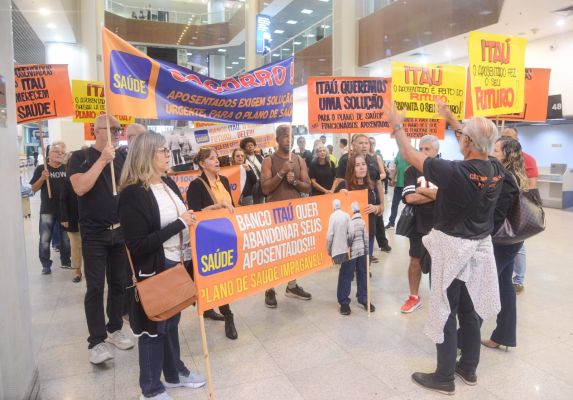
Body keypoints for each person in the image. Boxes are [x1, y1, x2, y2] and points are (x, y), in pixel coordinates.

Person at [389, 100, 503, 395]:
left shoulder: (455, 171)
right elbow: (473, 138)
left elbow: (408, 153)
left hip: (452, 248)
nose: (460, 136)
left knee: (445, 310)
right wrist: (451, 118)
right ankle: (468, 368)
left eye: (463, 134)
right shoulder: (496, 169)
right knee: (468, 309)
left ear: (467, 142)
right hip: (479, 247)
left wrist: (397, 124)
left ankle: (443, 377)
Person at [119, 131, 206, 400]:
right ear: (146, 154)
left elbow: (183, 217)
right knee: (154, 329)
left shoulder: (167, 182)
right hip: (155, 267)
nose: (168, 155)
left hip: (177, 264)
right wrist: (179, 224)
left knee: (170, 324)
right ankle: (150, 389)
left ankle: (173, 373)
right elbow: (137, 245)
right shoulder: (133, 193)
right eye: (163, 151)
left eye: (167, 150)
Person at [68, 114, 134, 365]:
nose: (117, 133)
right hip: (94, 233)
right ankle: (96, 341)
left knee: (119, 283)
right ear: (96, 131)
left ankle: (115, 328)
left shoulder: (122, 158)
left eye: (119, 129)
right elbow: (80, 187)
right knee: (95, 287)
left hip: (120, 231)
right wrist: (103, 160)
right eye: (112, 129)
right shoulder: (80, 157)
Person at [186, 148, 238, 340]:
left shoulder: (223, 180)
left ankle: (208, 308)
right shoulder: (196, 185)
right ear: (202, 164)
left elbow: (232, 206)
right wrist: (214, 208)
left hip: (226, 234)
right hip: (208, 239)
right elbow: (194, 214)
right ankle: (228, 315)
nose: (217, 161)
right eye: (211, 158)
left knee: (224, 276)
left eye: (217, 158)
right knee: (217, 277)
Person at [481, 137, 527, 351]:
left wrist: (483, 235)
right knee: (504, 285)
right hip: (511, 240)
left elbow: (499, 215)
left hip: (501, 242)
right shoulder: (515, 174)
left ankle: (463, 339)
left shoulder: (507, 177)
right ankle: (504, 336)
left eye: (497, 149)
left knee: (482, 287)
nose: (492, 151)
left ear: (507, 155)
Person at [260, 125, 312, 308]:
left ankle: (292, 286)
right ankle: (269, 288)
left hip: (294, 212)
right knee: (273, 252)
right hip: (275, 213)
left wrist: (295, 182)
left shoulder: (299, 160)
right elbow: (265, 189)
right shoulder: (268, 160)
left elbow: (308, 186)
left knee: (293, 250)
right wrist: (281, 172)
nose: (289, 140)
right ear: (277, 139)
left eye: (291, 136)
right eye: (284, 136)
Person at [334, 154, 381, 315]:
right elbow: (332, 207)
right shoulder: (344, 185)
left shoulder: (371, 185)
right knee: (348, 269)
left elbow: (380, 207)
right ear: (351, 168)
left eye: (363, 164)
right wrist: (340, 196)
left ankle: (363, 297)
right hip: (350, 236)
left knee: (364, 268)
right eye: (357, 165)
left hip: (368, 233)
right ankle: (343, 300)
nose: (362, 167)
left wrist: (376, 208)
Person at [400, 135, 439, 314]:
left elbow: (450, 195)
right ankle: (414, 297)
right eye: (420, 149)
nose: (422, 152)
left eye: (427, 149)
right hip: (418, 224)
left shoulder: (445, 169)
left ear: (436, 151)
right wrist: (436, 194)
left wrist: (422, 192)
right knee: (415, 260)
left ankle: (439, 299)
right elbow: (410, 198)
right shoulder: (411, 170)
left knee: (439, 263)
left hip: (441, 224)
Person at [336, 134, 389, 260]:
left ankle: (367, 258)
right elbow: (339, 180)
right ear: (353, 144)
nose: (364, 146)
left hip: (371, 201)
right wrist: (339, 194)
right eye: (360, 143)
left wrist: (381, 205)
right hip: (352, 208)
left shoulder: (372, 160)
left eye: (366, 143)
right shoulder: (345, 160)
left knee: (372, 229)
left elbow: (378, 183)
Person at [502, 127, 538, 293]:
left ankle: (519, 279)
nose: (505, 139)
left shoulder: (527, 159)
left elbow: (531, 186)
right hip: (501, 210)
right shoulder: (498, 158)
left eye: (509, 137)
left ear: (517, 139)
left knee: (518, 244)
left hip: (518, 208)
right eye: (503, 136)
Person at [30, 141, 71, 274]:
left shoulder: (67, 168)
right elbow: (33, 189)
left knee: (66, 238)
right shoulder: (42, 168)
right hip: (47, 209)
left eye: (62, 153)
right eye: (56, 152)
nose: (60, 154)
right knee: (45, 239)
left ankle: (66, 261)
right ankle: (45, 265)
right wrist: (42, 178)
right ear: (48, 154)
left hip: (64, 210)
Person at [60, 153, 82, 283]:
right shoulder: (66, 181)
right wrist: (64, 218)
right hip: (72, 218)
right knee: (75, 245)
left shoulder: (86, 177)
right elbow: (63, 200)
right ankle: (77, 271)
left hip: (88, 218)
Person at [368, 136, 392, 254]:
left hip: (375, 189)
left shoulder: (376, 157)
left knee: (378, 217)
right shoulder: (359, 157)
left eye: (373, 143)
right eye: (369, 143)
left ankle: (383, 243)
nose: (371, 145)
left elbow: (383, 173)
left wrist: (375, 178)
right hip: (364, 190)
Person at [386, 151, 410, 229]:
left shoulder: (413, 151)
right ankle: (391, 223)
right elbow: (396, 167)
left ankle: (409, 224)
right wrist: (392, 178)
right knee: (394, 204)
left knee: (409, 206)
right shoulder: (399, 152)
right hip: (399, 184)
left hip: (408, 184)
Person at [240, 137, 265, 203]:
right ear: (244, 148)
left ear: (254, 146)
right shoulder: (243, 159)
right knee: (254, 203)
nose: (250, 147)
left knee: (263, 202)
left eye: (252, 145)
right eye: (247, 146)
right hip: (252, 186)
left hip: (262, 183)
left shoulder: (260, 157)